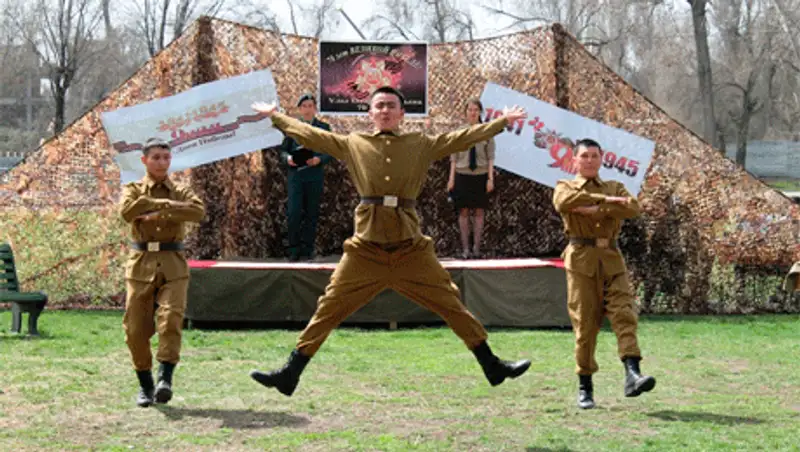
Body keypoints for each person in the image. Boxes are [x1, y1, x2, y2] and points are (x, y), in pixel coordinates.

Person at [248, 87, 531, 396]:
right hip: (365, 250)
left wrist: (501, 122)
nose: (384, 110)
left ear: (402, 114)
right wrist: (276, 117)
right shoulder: (354, 143)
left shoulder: (419, 144)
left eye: (391, 106)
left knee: (450, 303)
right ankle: (291, 373)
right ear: (370, 113)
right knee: (329, 307)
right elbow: (313, 136)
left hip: (410, 248)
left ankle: (491, 365)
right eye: (379, 105)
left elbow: (461, 138)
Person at [552, 138, 656, 410]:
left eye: (594, 156)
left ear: (601, 159)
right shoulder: (565, 186)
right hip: (581, 262)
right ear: (574, 160)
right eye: (584, 156)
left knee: (624, 314)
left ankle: (632, 373)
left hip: (611, 260)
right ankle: (585, 386)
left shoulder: (615, 186)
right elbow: (564, 202)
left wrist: (598, 208)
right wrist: (608, 202)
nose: (589, 161)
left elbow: (632, 207)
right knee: (585, 326)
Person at [118, 137, 206, 407]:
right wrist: (150, 201)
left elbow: (197, 211)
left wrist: (162, 208)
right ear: (144, 160)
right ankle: (145, 385)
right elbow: (127, 212)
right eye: (155, 157)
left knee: (170, 321)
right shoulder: (133, 189)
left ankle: (164, 380)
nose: (161, 162)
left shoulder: (180, 190)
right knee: (136, 329)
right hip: (141, 263)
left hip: (172, 264)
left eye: (166, 157)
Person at [281, 93, 333, 261]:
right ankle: (293, 249)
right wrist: (288, 159)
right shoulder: (292, 127)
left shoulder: (324, 128)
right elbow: (283, 151)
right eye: (304, 106)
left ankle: (307, 250)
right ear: (299, 109)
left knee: (312, 213)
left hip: (314, 176)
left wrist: (320, 159)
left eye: (310, 106)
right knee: (294, 213)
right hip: (296, 176)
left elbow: (331, 150)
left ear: (315, 108)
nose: (307, 109)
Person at [447, 99, 496, 259]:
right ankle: (465, 249)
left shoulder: (486, 131)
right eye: (470, 110)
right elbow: (453, 157)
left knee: (479, 211)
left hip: (480, 175)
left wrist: (490, 179)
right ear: (465, 112)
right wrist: (451, 179)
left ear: (480, 112)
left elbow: (490, 157)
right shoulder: (459, 132)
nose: (473, 113)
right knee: (464, 211)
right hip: (462, 174)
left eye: (476, 110)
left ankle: (476, 248)